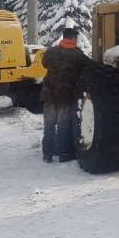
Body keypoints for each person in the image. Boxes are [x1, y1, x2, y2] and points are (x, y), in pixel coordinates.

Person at [41, 28, 92, 163]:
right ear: (74, 38)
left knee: (49, 125)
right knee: (63, 125)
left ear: (64, 37)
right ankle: (63, 154)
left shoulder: (51, 52)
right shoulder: (78, 55)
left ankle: (47, 154)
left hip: (49, 94)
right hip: (65, 95)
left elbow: (44, 64)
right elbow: (90, 68)